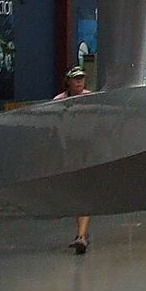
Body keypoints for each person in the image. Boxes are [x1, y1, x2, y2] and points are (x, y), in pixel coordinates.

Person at [53, 66, 92, 253]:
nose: (79, 82)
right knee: (75, 194)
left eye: (81, 79)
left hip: (85, 152)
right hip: (67, 153)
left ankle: (81, 236)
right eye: (75, 79)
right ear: (68, 81)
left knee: (83, 191)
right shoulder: (58, 102)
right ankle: (82, 234)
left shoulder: (91, 99)